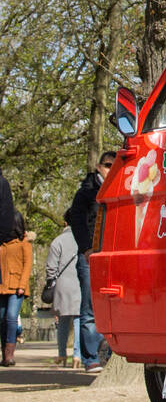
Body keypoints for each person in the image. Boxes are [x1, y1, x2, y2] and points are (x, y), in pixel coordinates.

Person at [69, 152, 116, 373]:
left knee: (113, 304)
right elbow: (75, 220)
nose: (111, 169)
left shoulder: (121, 187)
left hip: (113, 255)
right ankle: (90, 358)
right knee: (89, 307)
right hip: (89, 255)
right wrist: (86, 248)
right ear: (99, 167)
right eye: (108, 165)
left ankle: (110, 352)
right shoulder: (85, 192)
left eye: (115, 166)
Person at [46, 208, 82, 369]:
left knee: (62, 322)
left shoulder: (57, 241)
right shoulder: (83, 239)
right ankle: (77, 354)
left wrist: (50, 282)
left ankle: (62, 354)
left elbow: (51, 267)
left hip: (62, 285)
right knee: (79, 320)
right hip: (80, 282)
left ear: (65, 222)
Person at [0, 210, 33, 367]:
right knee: (2, 320)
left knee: (11, 318)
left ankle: (9, 355)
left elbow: (27, 266)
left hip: (17, 288)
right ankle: (4, 353)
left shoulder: (24, 245)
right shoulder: (2, 244)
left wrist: (21, 285)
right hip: (2, 287)